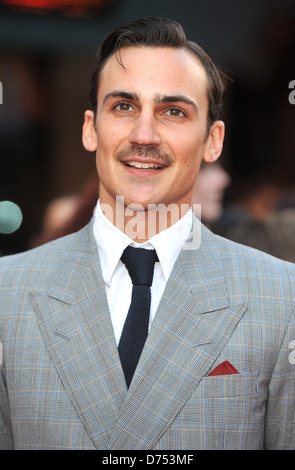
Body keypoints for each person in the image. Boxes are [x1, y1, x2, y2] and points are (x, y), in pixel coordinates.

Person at [0, 17, 294, 451]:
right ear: (89, 128)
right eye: (123, 106)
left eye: (173, 111)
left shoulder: (282, 298)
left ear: (213, 140)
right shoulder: (7, 292)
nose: (144, 135)